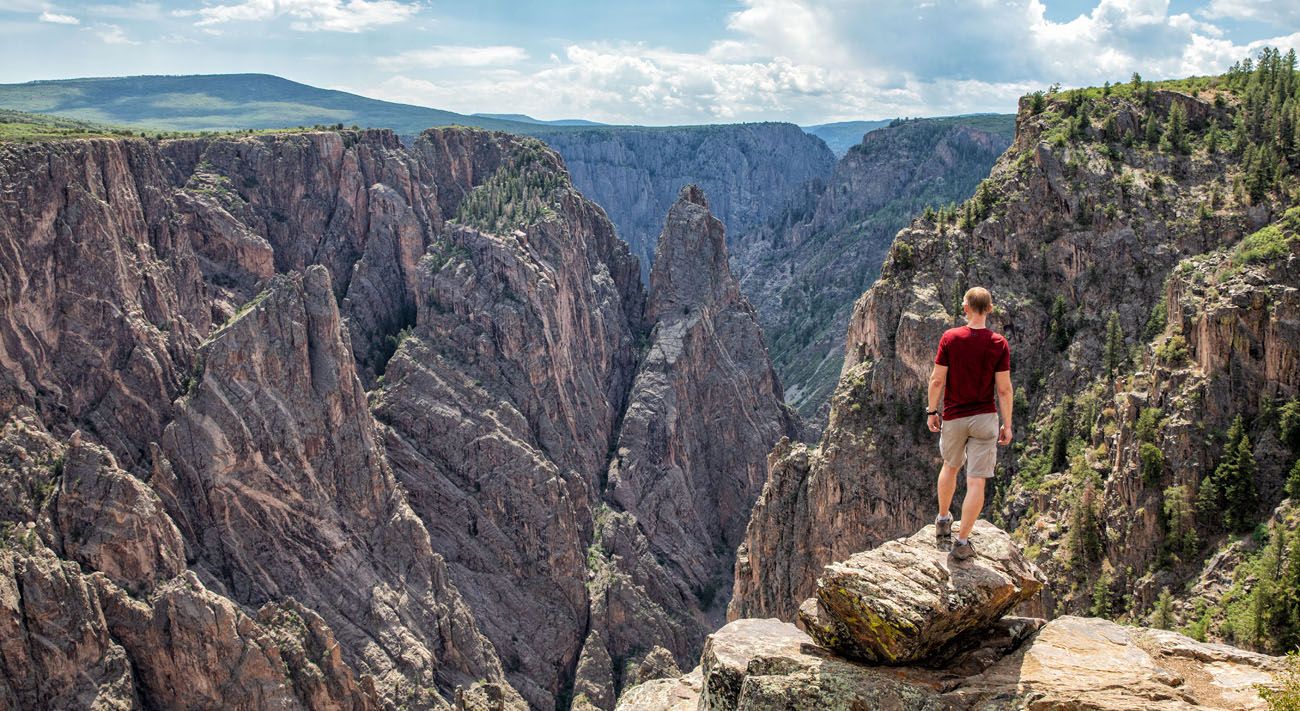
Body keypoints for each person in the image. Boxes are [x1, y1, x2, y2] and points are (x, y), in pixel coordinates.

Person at [926, 286, 1013, 560]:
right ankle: (962, 541)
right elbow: (1004, 389)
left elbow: (937, 379)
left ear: (965, 308)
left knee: (950, 467)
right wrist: (1007, 424)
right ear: (989, 309)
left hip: (954, 416)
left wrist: (932, 411)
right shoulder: (998, 343)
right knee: (976, 482)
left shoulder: (951, 338)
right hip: (985, 418)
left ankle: (942, 519)